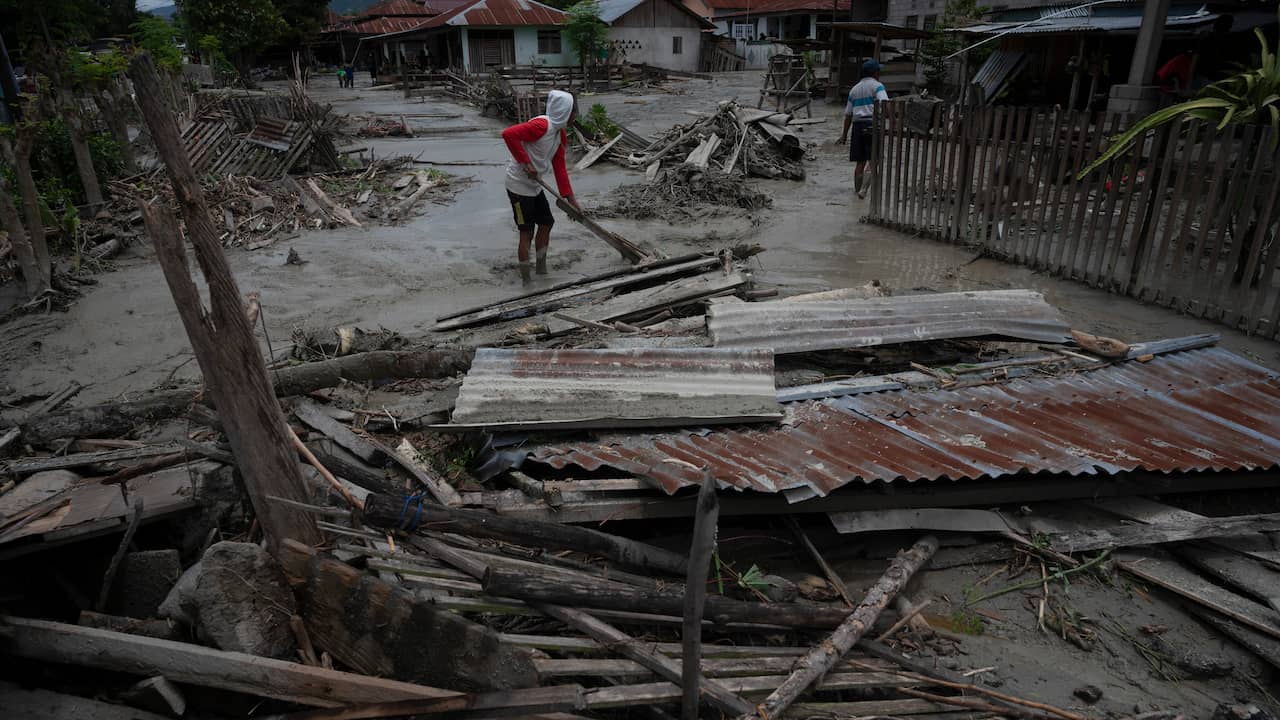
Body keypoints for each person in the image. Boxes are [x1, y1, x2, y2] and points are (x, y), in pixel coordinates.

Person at [501, 90, 580, 283]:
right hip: (518, 185)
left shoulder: (560, 134)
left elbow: (560, 168)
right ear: (565, 111)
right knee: (526, 230)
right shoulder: (541, 125)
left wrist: (571, 200)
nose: (576, 116)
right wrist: (526, 164)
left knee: (546, 223)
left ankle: (541, 269)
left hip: (535, 186)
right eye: (574, 112)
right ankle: (526, 280)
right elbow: (508, 134)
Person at [838, 59, 889, 199]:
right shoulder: (878, 86)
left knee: (859, 161)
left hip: (857, 126)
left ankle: (857, 191)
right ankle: (864, 190)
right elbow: (884, 104)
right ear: (875, 73)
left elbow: (848, 115)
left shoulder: (854, 89)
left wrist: (844, 135)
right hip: (872, 125)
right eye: (878, 71)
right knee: (874, 160)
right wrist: (893, 121)